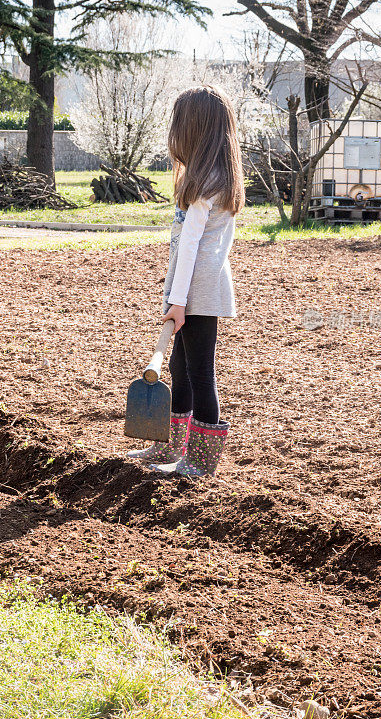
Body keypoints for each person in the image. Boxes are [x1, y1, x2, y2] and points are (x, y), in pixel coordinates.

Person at [128, 85, 244, 478]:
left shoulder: (205, 182)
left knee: (199, 373)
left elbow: (192, 246)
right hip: (193, 287)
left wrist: (177, 302)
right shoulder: (215, 176)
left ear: (194, 130)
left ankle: (199, 460)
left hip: (198, 290)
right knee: (179, 367)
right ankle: (172, 447)